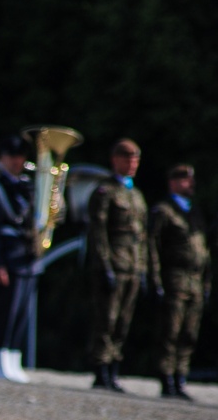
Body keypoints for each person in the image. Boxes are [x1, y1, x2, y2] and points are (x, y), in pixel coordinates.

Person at [86, 139, 148, 392]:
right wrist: (104, 266)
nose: (132, 164)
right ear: (115, 160)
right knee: (107, 320)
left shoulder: (136, 195)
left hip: (132, 267)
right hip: (114, 264)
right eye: (127, 159)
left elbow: (141, 236)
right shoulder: (105, 192)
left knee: (123, 321)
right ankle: (101, 370)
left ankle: (114, 369)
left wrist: (143, 268)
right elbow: (98, 233)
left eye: (135, 160)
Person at [148, 164, 211, 400]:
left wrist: (206, 283)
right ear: (173, 182)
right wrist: (155, 279)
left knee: (189, 334)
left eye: (191, 179)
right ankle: (166, 378)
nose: (190, 184)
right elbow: (153, 247)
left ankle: (180, 378)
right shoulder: (164, 211)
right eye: (185, 179)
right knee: (171, 332)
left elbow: (204, 250)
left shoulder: (194, 212)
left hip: (195, 281)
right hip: (174, 279)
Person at [0, 135, 35, 382]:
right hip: (8, 255)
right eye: (12, 156)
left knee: (22, 311)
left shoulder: (29, 186)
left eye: (20, 156)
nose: (16, 161)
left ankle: (14, 357)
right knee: (6, 311)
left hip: (27, 255)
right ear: (2, 159)